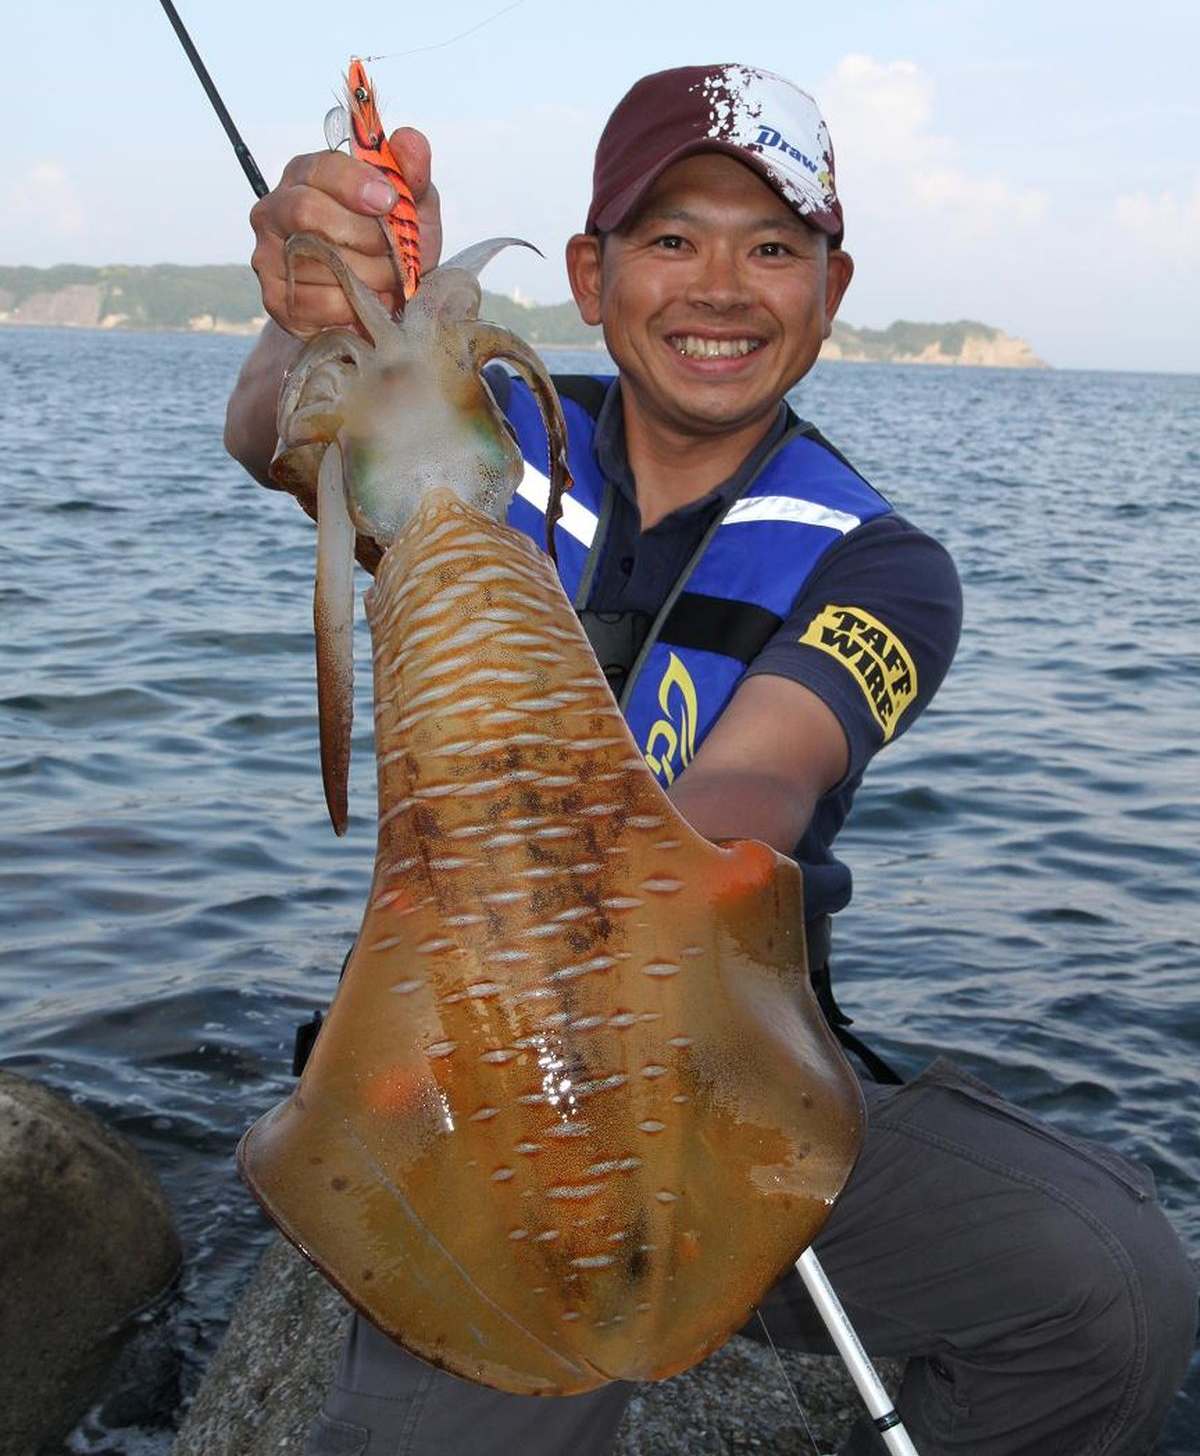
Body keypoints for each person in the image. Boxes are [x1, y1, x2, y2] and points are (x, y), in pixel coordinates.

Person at [225, 63, 1197, 1456]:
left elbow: (755, 787)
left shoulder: (884, 563)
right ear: (591, 268)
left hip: (742, 1087)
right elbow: (280, 430)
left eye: (774, 247)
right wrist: (303, 310)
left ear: (832, 286)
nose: (721, 288)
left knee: (1111, 1287)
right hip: (483, 1089)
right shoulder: (488, 448)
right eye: (672, 238)